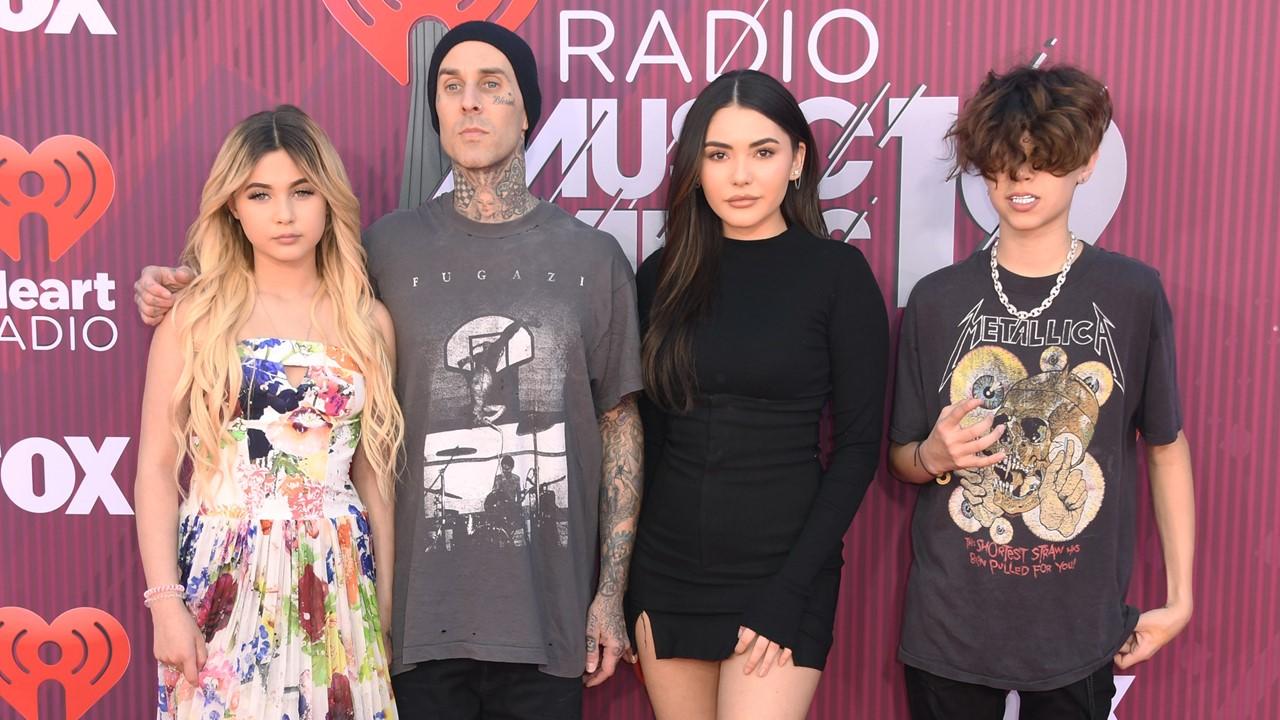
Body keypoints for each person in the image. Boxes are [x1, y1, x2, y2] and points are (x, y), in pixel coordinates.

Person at [134, 22, 643, 719]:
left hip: (485, 612)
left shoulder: (590, 260)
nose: (470, 103)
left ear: (528, 108)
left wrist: (609, 595)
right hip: (336, 605)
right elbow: (280, 281)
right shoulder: (387, 250)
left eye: (492, 86)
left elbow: (618, 421)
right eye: (451, 87)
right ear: (432, 111)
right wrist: (186, 282)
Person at [887, 65, 1195, 719]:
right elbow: (902, 457)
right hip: (950, 630)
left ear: (1083, 163)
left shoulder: (1132, 294)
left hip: (1079, 636)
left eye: (1042, 159)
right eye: (1003, 161)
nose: (1019, 180)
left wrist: (1182, 596)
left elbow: (1165, 446)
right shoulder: (938, 300)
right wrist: (934, 456)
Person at [625, 69, 889, 720]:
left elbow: (857, 450)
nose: (740, 176)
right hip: (667, 573)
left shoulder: (837, 275)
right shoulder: (661, 276)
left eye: (762, 152)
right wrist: (622, 585)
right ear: (695, 167)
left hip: (782, 572)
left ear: (798, 161)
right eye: (719, 155)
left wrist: (789, 591)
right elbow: (645, 441)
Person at [133, 105, 403, 718]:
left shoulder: (368, 324)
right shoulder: (193, 318)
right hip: (221, 574)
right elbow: (155, 468)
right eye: (260, 193)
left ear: (328, 198)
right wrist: (165, 603)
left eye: (302, 191)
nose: (284, 213)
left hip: (338, 578)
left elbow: (375, 482)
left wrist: (385, 608)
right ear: (232, 205)